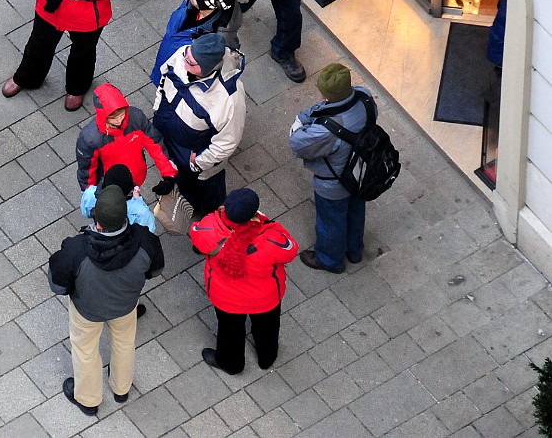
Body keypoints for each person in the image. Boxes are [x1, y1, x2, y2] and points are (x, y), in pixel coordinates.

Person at [49, 185, 164, 416]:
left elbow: (58, 286)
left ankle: (89, 400)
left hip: (87, 311)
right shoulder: (145, 241)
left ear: (96, 218)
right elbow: (155, 271)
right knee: (124, 343)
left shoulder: (75, 250)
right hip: (125, 307)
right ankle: (121, 388)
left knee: (85, 351)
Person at [190, 188, 299, 375]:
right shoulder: (271, 238)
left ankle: (231, 363)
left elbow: (195, 231)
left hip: (225, 298)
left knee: (229, 331)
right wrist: (269, 223)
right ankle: (267, 357)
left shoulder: (208, 228)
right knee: (268, 327)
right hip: (265, 298)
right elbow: (291, 248)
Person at [289, 63, 376, 273]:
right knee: (356, 210)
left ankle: (330, 260)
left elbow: (298, 144)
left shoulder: (325, 131)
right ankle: (354, 251)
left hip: (334, 183)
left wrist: (301, 120)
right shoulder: (365, 97)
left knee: (331, 221)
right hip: (362, 172)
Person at [153, 34, 246, 215]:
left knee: (208, 190)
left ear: (207, 68)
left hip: (193, 151)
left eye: (191, 62)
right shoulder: (186, 55)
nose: (184, 60)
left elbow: (227, 142)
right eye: (187, 55)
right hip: (168, 132)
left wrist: (199, 163)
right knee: (181, 177)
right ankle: (187, 196)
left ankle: (211, 216)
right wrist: (157, 110)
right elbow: (164, 81)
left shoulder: (229, 99)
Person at [76, 82, 177, 192]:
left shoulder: (136, 118)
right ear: (103, 115)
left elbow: (155, 144)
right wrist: (91, 195)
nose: (119, 120)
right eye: (114, 118)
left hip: (137, 177)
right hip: (109, 188)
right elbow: (87, 171)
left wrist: (169, 175)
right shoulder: (90, 139)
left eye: (121, 114)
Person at [150, 0, 242, 85]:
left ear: (201, 3)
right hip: (171, 50)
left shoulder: (221, 36)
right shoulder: (203, 2)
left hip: (181, 67)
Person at [80, 164, 156, 232]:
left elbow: (85, 212)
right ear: (129, 190)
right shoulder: (139, 212)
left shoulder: (90, 194)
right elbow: (149, 231)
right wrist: (138, 202)